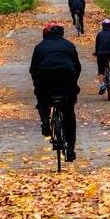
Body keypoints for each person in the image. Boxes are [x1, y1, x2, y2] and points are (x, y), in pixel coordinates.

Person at [29, 22, 81, 161]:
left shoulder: (40, 47)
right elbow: (77, 67)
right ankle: (70, 149)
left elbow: (33, 70)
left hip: (46, 76)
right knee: (69, 113)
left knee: (42, 97)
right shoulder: (69, 45)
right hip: (67, 76)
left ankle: (45, 121)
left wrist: (38, 86)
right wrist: (74, 85)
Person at [94, 18, 110, 94]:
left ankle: (102, 85)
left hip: (101, 53)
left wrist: (96, 52)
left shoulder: (99, 34)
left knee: (101, 70)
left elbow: (97, 45)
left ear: (103, 26)